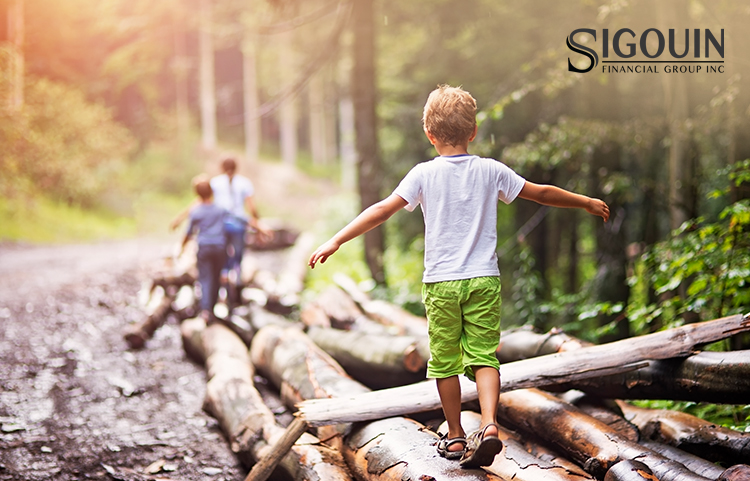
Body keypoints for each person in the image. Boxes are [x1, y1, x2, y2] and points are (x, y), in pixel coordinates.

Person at [308, 85, 610, 468]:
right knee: (484, 357)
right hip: (483, 279)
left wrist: (336, 239)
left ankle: (453, 436)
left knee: (446, 362)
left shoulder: (423, 175)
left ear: (429, 135)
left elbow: (382, 210)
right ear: (473, 131)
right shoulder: (490, 170)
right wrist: (583, 201)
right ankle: (488, 425)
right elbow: (541, 193)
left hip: (441, 283)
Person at [171, 158, 270, 285]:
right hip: (239, 224)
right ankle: (237, 279)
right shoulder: (245, 183)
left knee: (223, 254)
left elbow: (200, 201)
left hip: (221, 224)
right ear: (236, 168)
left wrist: (180, 218)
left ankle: (224, 277)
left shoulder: (215, 183)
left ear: (222, 168)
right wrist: (258, 225)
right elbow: (252, 208)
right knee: (238, 253)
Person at [180, 175, 229, 322]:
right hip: (220, 248)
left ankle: (206, 311)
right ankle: (212, 308)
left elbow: (188, 233)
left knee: (205, 278)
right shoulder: (220, 209)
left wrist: (181, 249)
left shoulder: (196, 211)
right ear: (212, 192)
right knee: (216, 278)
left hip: (204, 248)